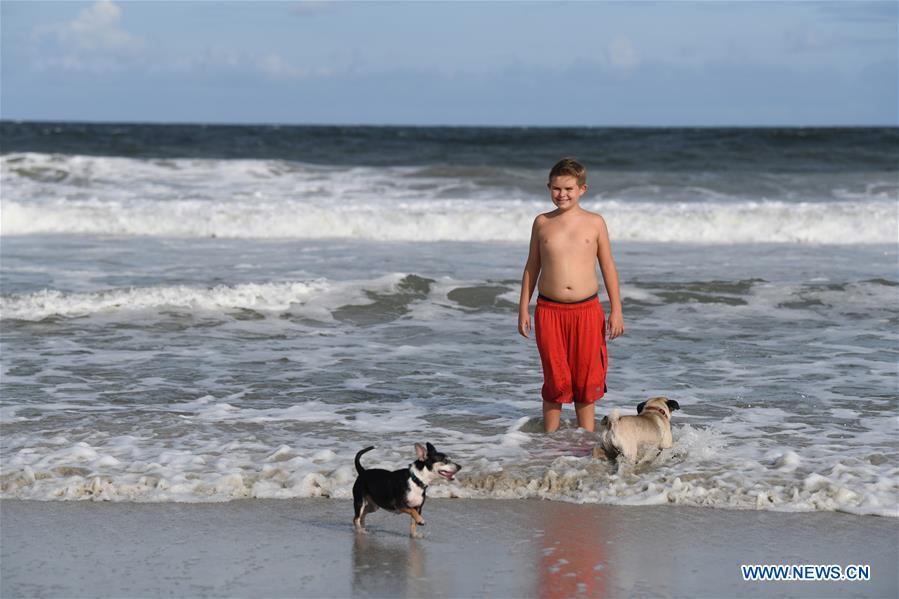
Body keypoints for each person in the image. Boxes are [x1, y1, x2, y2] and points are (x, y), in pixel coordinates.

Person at [518, 158, 624, 433]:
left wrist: (616, 309)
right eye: (556, 189)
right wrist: (523, 309)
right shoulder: (542, 222)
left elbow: (608, 266)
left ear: (582, 189)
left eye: (568, 189)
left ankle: (585, 441)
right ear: (548, 187)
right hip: (549, 311)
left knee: (586, 381)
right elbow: (532, 266)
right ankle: (549, 443)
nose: (561, 194)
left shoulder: (595, 222)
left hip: (587, 310)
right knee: (555, 379)